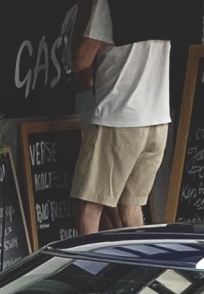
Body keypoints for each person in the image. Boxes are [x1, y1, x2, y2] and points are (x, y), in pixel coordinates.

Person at [73, 0, 175, 233]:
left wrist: (83, 13)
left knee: (89, 206)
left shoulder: (108, 4)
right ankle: (139, 268)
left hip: (119, 118)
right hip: (157, 119)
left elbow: (81, 59)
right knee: (131, 208)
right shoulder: (163, 6)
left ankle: (89, 268)